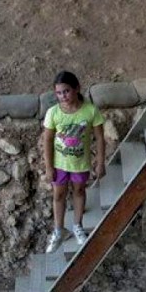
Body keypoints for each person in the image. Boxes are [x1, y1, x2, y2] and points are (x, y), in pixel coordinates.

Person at [41, 71, 106, 254]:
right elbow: (47, 140)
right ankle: (59, 230)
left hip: (80, 163)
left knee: (79, 191)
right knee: (58, 195)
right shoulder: (53, 113)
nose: (64, 96)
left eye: (67, 91)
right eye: (59, 93)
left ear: (77, 88)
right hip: (59, 164)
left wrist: (100, 162)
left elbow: (100, 138)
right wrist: (48, 167)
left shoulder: (90, 110)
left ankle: (77, 226)